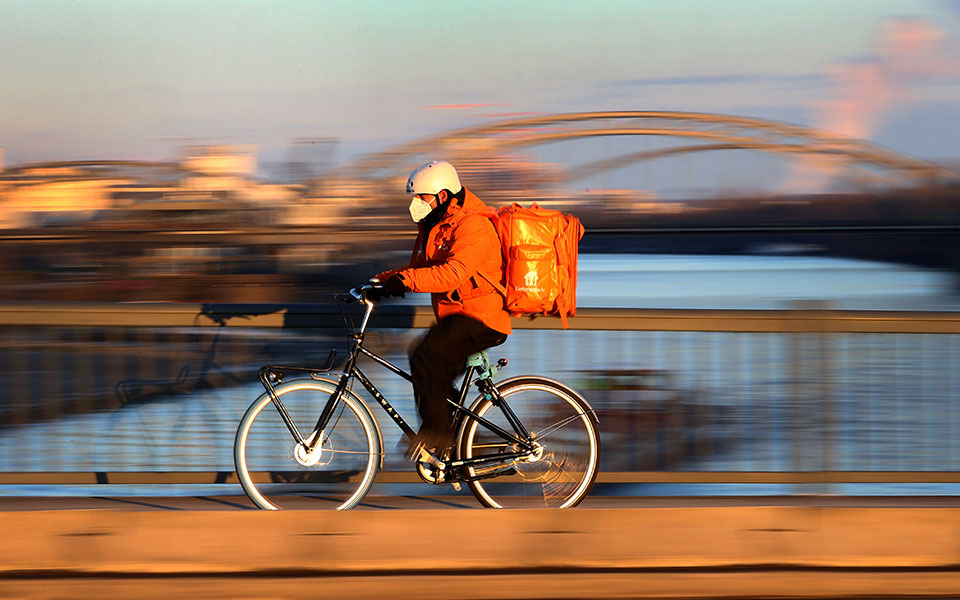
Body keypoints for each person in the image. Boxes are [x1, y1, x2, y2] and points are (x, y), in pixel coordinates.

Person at [368, 160, 511, 463]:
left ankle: (438, 436)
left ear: (442, 196)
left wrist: (405, 281)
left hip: (481, 318)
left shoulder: (473, 225)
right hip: (457, 318)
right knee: (432, 372)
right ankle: (463, 444)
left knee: (426, 355)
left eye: (421, 196)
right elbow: (419, 269)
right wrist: (381, 281)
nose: (416, 203)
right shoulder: (434, 226)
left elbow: (453, 274)